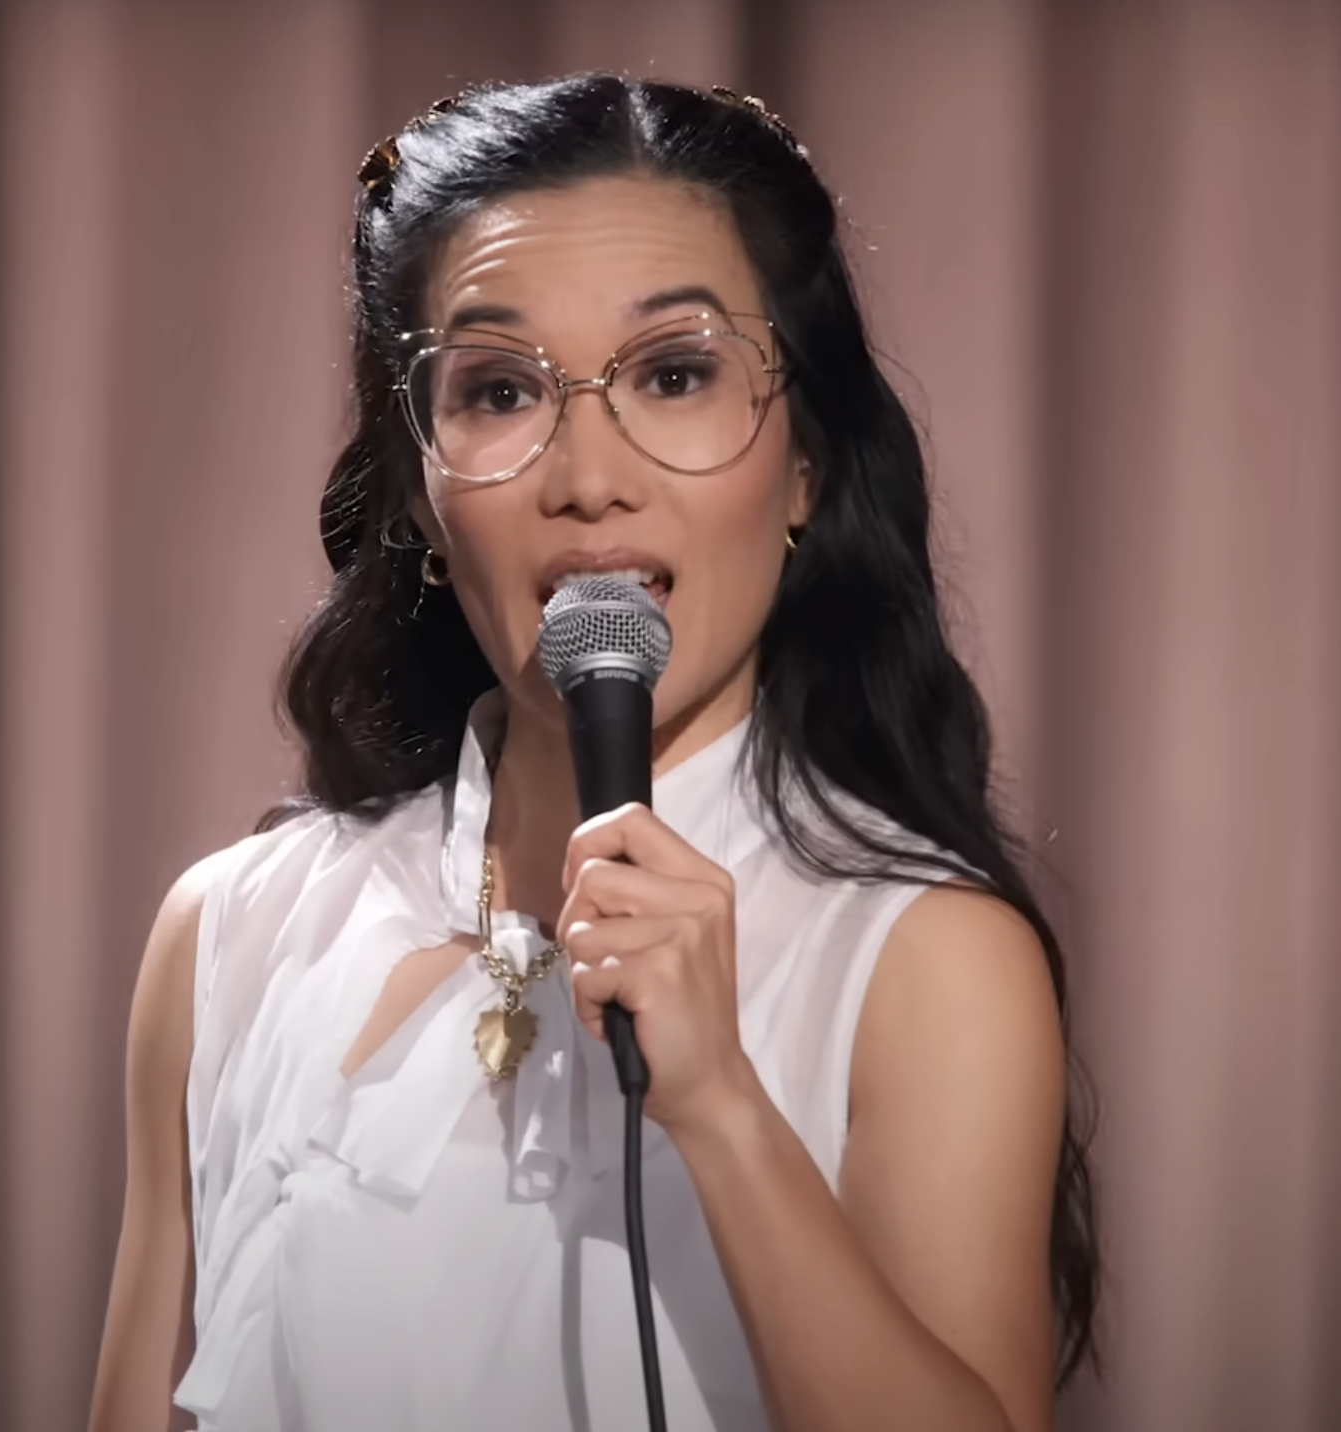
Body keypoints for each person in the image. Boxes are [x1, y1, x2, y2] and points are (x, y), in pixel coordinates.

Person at [89, 75, 1099, 1432]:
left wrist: (725, 1112)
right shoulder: (231, 936)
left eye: (673, 376)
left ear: (802, 468)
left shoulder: (919, 952)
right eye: (499, 390)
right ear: (423, 497)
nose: (585, 475)